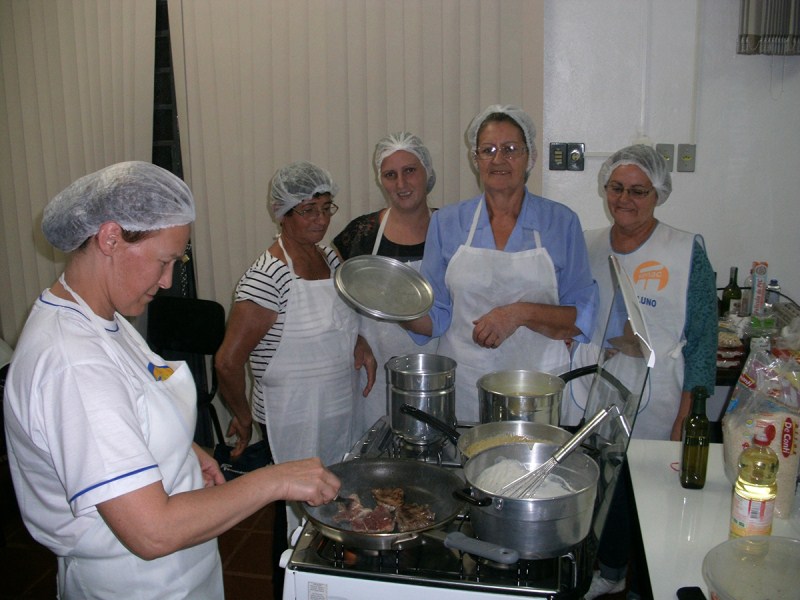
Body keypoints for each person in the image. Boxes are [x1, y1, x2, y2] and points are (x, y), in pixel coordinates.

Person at [2, 161, 341, 599]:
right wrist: (275, 479)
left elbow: (138, 397)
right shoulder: (73, 363)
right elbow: (152, 532)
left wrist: (186, 448)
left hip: (179, 569)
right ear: (109, 238)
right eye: (163, 262)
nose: (166, 282)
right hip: (137, 582)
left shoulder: (102, 317)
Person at [214, 161, 377, 584]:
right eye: (308, 210)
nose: (321, 220)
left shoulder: (329, 255)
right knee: (296, 507)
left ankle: (336, 582)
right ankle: (292, 585)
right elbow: (228, 361)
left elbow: (342, 317)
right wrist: (243, 416)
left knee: (339, 496)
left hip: (340, 400)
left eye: (326, 208)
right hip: (295, 412)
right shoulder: (267, 276)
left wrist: (358, 343)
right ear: (282, 214)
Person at [575, 145, 717, 599]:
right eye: (617, 187)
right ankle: (607, 571)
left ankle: (641, 582)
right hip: (600, 390)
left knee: (648, 497)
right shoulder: (589, 243)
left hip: (660, 397)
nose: (625, 199)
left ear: (658, 194)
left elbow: (703, 338)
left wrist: (689, 412)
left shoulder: (683, 249)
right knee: (601, 490)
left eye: (638, 190)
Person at [403, 105, 598, 424]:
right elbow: (436, 317)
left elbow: (580, 318)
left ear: (529, 157)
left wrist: (517, 314)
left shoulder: (560, 223)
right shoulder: (448, 223)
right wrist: (398, 310)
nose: (498, 159)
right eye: (488, 150)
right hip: (467, 388)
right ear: (475, 159)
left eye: (510, 149)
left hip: (537, 391)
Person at [333, 132, 439, 433]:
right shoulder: (361, 233)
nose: (401, 184)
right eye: (390, 175)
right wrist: (355, 339)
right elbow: (338, 300)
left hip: (436, 366)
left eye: (410, 171)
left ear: (426, 172)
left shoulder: (450, 230)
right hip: (375, 371)